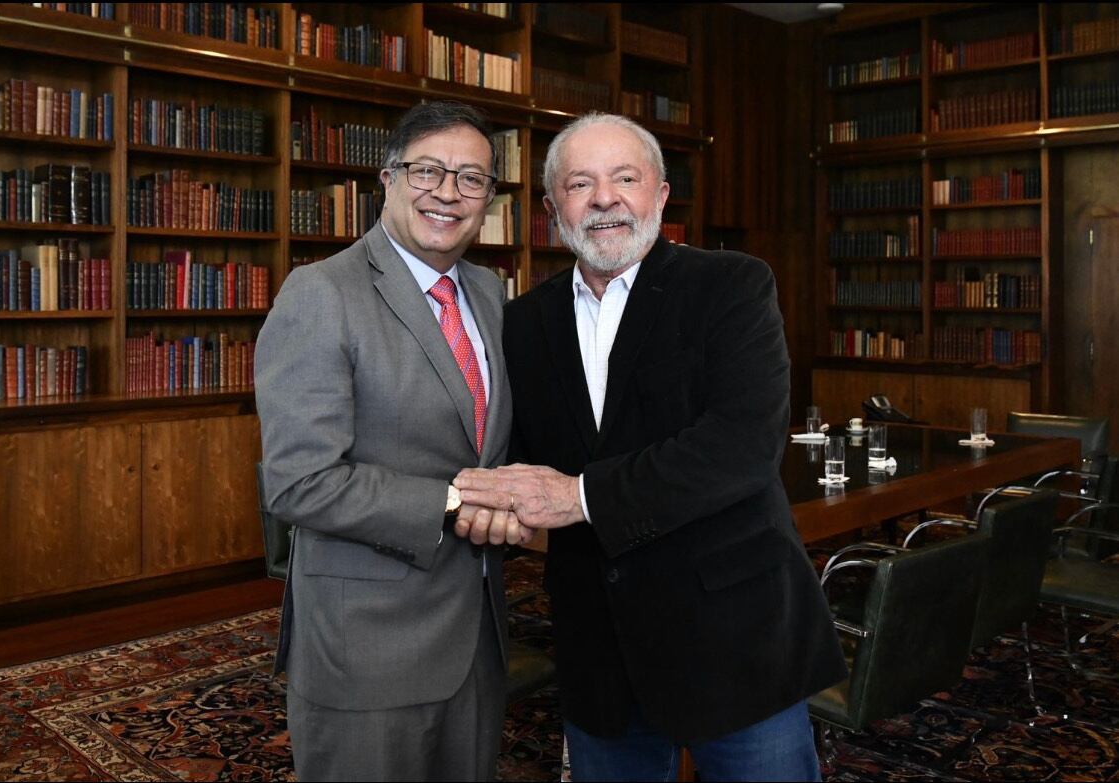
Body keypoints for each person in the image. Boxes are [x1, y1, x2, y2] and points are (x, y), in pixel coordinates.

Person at [453, 112, 848, 782]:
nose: (604, 198)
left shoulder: (732, 286)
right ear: (553, 209)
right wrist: (487, 502)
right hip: (598, 646)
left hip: (734, 638)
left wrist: (574, 496)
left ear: (661, 195)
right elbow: (515, 461)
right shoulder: (521, 322)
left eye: (625, 178)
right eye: (580, 184)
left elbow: (741, 447)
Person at [254, 100, 527, 782]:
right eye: (428, 169)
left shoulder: (489, 292)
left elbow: (482, 439)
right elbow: (300, 481)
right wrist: (452, 499)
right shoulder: (321, 293)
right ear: (388, 177)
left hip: (477, 634)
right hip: (367, 642)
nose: (448, 191)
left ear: (489, 198)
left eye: (472, 178)